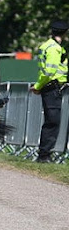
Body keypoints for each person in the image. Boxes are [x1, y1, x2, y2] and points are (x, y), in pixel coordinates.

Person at [30, 20, 68, 163]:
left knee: (51, 120)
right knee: (53, 121)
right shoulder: (55, 49)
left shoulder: (46, 45)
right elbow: (49, 71)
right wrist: (38, 86)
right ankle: (44, 155)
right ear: (64, 33)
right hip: (52, 87)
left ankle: (44, 154)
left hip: (50, 87)